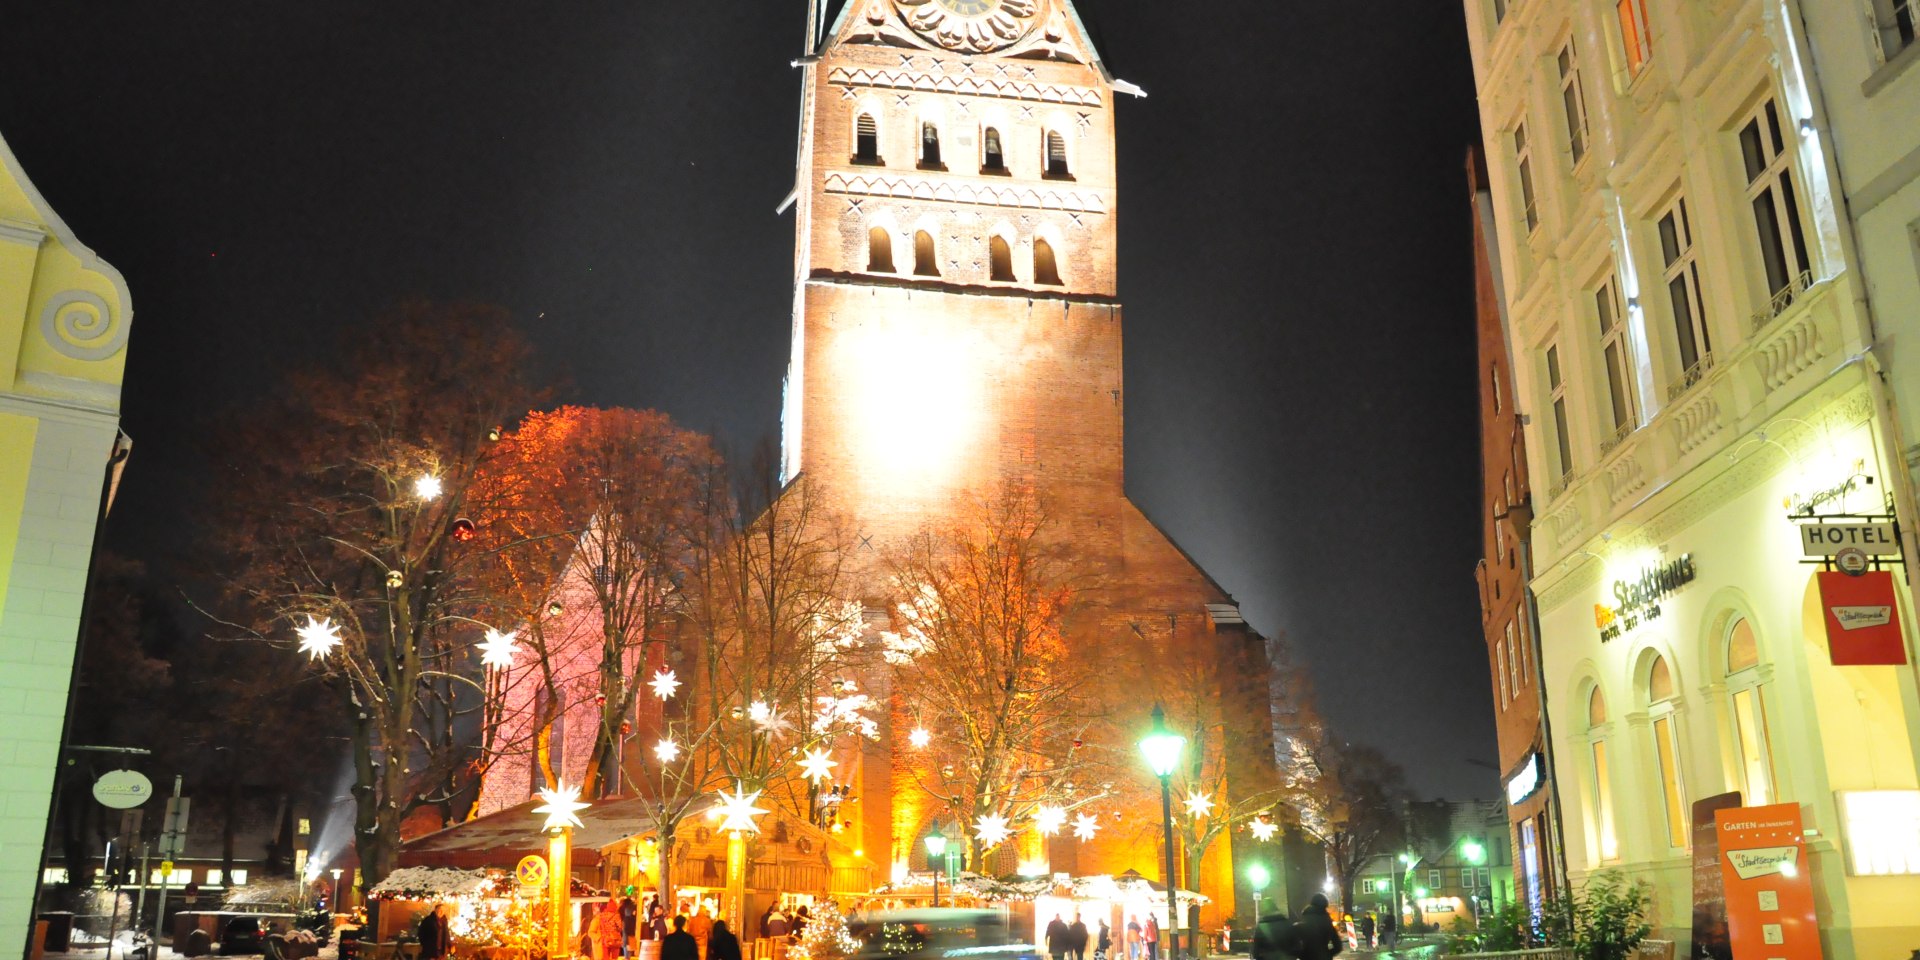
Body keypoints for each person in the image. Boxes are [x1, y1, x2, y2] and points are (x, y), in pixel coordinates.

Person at [1292, 896, 1342, 960]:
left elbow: (1292, 945)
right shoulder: (1327, 924)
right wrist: (1327, 954)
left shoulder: (1303, 923)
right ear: (1325, 906)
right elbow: (1338, 946)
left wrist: (1302, 955)